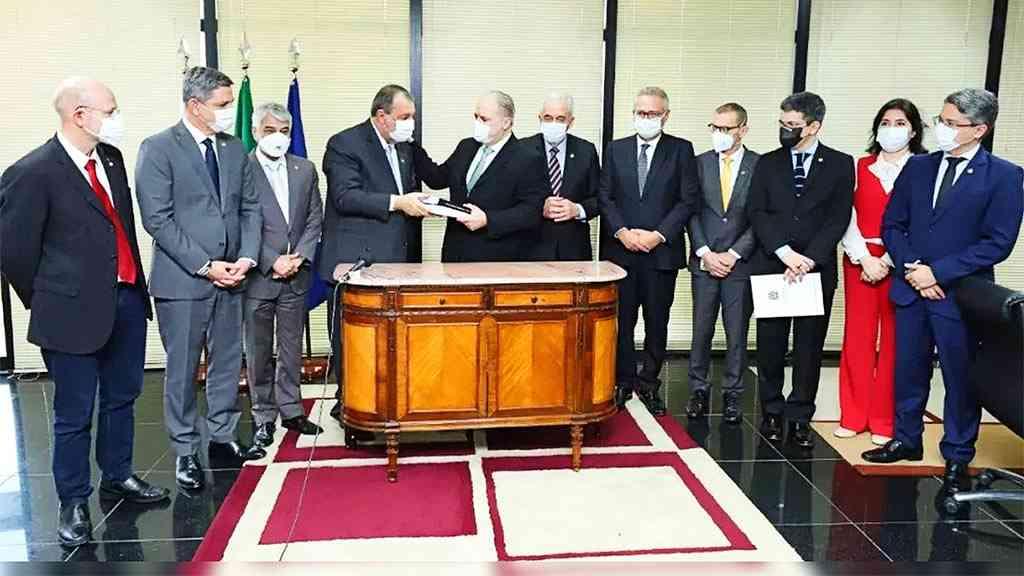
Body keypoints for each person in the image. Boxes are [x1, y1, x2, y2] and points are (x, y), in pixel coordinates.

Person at [0, 77, 169, 546]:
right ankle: (73, 501)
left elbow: (120, 228)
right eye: (110, 110)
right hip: (68, 313)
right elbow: (14, 251)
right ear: (79, 115)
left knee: (122, 398)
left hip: (126, 300)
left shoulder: (110, 159)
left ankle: (118, 475)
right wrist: (50, 299)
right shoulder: (32, 172)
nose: (117, 118)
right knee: (74, 414)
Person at [864, 89, 1023, 497]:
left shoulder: (1004, 176)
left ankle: (957, 454)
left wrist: (938, 273)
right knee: (909, 368)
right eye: (942, 120)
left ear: (980, 129)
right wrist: (915, 269)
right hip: (912, 287)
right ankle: (907, 439)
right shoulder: (919, 167)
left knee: (959, 376)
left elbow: (997, 242)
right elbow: (892, 225)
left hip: (961, 295)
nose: (942, 129)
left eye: (952, 123)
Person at [136, 66, 266, 492]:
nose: (230, 111)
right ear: (195, 106)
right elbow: (158, 219)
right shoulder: (158, 148)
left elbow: (250, 207)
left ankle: (222, 436)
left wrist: (246, 257)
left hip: (234, 275)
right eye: (223, 104)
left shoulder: (233, 148)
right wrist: (206, 265)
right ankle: (186, 450)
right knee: (183, 370)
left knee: (227, 361)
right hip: (184, 281)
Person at [746, 91, 854, 448]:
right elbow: (757, 211)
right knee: (771, 345)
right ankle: (771, 412)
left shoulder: (840, 163)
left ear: (813, 126)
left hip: (814, 269)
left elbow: (838, 217)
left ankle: (800, 417)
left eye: (792, 125)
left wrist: (808, 259)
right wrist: (784, 253)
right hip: (774, 264)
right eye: (782, 123)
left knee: (809, 348)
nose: (785, 130)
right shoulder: (768, 163)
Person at [320, 84, 431, 423]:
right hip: (357, 262)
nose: (410, 123)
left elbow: (411, 190)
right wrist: (399, 202)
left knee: (392, 341)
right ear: (382, 116)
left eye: (412, 116)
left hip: (398, 260)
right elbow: (345, 196)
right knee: (353, 342)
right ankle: (349, 402)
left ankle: (389, 403)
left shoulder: (404, 147)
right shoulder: (345, 144)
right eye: (404, 116)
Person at [598, 86, 700, 416]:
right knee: (622, 322)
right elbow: (605, 197)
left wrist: (659, 235)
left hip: (661, 254)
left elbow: (687, 200)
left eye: (653, 113)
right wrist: (622, 232)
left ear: (665, 116)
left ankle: (650, 383)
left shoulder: (681, 150)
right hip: (622, 253)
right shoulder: (616, 149)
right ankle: (623, 380)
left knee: (657, 322)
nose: (646, 118)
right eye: (641, 112)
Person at [836, 98, 926, 446]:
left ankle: (884, 420)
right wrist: (864, 258)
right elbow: (846, 215)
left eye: (900, 123)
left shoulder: (923, 168)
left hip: (901, 261)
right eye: (885, 123)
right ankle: (853, 415)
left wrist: (887, 261)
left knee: (894, 341)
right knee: (857, 338)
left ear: (913, 131)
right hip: (859, 259)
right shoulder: (861, 166)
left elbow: (921, 220)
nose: (891, 129)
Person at [244, 102, 324, 447]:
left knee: (291, 347)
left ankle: (291, 410)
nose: (277, 137)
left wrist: (300, 257)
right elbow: (237, 224)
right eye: (269, 130)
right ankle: (263, 414)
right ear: (255, 132)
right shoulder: (241, 170)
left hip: (296, 274)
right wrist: (271, 260)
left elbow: (315, 218)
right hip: (259, 277)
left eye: (284, 131)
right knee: (259, 350)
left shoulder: (305, 169)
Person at [685, 102, 760, 424]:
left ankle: (733, 393)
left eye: (726, 128)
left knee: (737, 332)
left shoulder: (760, 165)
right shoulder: (698, 163)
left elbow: (761, 217)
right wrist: (704, 251)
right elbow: (690, 211)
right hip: (704, 261)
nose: (719, 133)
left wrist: (734, 254)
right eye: (714, 127)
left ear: (743, 130)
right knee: (701, 330)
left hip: (739, 264)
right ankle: (698, 389)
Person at [413, 90, 548, 262]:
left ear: (506, 123)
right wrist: (411, 145)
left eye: (484, 119)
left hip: (495, 257)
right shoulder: (466, 146)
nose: (478, 123)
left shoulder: (528, 158)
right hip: (455, 253)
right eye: (476, 117)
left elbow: (531, 212)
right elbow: (437, 179)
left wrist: (488, 220)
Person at [521, 92, 600, 261]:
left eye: (560, 119)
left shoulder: (586, 151)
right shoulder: (522, 149)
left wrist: (577, 210)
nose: (553, 123)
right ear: (540, 118)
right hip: (530, 248)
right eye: (548, 118)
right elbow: (510, 199)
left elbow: (599, 198)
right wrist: (539, 208)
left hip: (573, 249)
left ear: (571, 122)